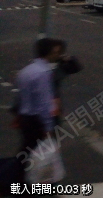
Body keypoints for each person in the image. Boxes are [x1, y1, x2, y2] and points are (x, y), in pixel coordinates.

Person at [13, 38, 65, 181]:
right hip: (36, 121)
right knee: (38, 154)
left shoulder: (26, 70)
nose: (58, 55)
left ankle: (20, 180)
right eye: (56, 52)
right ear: (49, 52)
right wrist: (48, 127)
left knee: (26, 151)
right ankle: (26, 182)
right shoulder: (43, 73)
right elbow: (44, 104)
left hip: (25, 118)